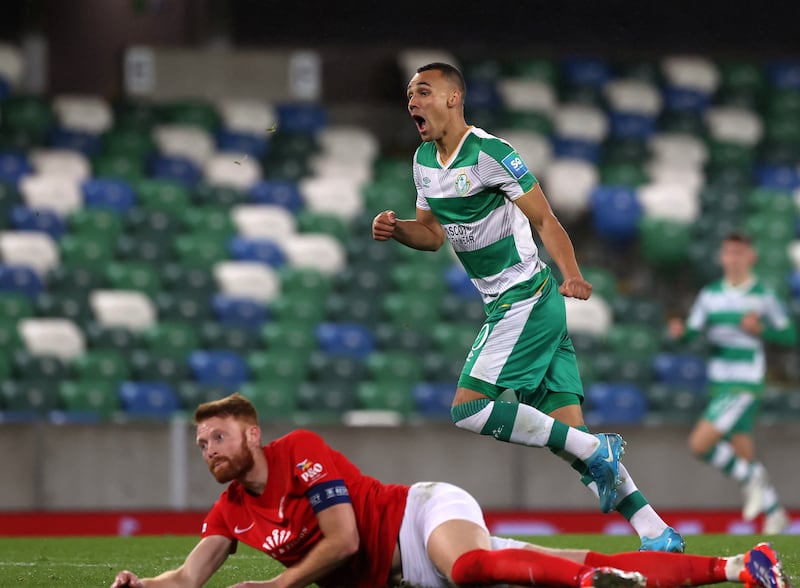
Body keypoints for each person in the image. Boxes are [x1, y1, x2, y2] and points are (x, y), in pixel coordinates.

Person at [371, 61, 683, 552]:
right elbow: (431, 235)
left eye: (423, 91)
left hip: (526, 298)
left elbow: (545, 219)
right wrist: (398, 231)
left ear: (454, 97)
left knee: (470, 409)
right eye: (410, 94)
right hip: (522, 308)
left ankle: (596, 448)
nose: (413, 101)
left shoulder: (492, 153)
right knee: (576, 444)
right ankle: (657, 532)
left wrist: (573, 274)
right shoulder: (423, 163)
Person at [110, 393, 790, 588]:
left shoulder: (301, 452)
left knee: (469, 568)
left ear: (252, 434)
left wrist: (279, 587)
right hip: (411, 573)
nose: (210, 453)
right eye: (203, 445)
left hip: (421, 513)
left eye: (219, 439)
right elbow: (190, 577)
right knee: (571, 563)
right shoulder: (230, 511)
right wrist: (147, 585)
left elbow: (345, 543)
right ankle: (737, 566)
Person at [667, 230, 797, 535]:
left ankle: (753, 479)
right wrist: (680, 333)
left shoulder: (763, 295)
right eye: (729, 253)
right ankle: (776, 513)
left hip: (744, 382)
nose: (734, 259)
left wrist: (761, 328)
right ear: (721, 257)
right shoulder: (710, 294)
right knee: (743, 454)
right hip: (720, 382)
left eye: (740, 253)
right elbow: (693, 332)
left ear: (751, 257)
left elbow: (790, 335)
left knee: (699, 444)